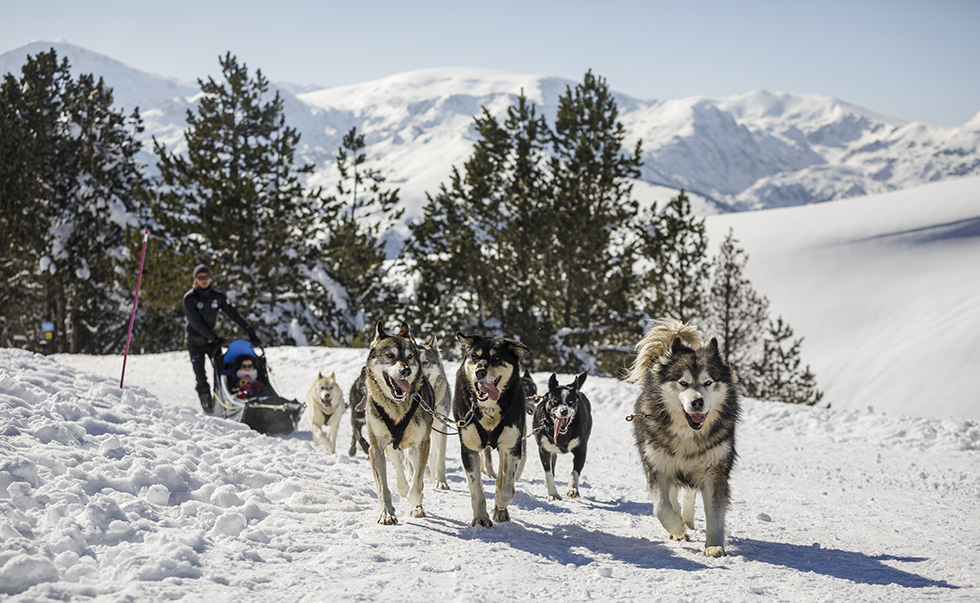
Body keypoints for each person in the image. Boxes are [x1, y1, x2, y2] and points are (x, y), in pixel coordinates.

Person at [182, 264, 260, 413]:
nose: (204, 280)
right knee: (200, 376)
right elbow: (195, 322)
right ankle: (208, 406)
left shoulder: (217, 297)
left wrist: (250, 331)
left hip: (213, 344)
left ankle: (223, 402)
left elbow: (233, 314)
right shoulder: (189, 298)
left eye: (206, 277)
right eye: (200, 277)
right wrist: (212, 337)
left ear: (211, 278)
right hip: (195, 342)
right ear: (195, 280)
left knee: (221, 373)